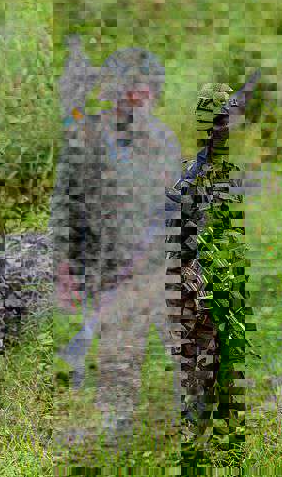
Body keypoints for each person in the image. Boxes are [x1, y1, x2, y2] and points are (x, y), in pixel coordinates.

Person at [49, 45, 184, 444]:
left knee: (190, 356)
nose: (138, 94)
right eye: (130, 86)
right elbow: (65, 205)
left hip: (164, 271)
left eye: (146, 87)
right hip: (112, 275)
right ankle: (115, 441)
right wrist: (64, 269)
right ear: (112, 90)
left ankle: (196, 434)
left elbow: (178, 205)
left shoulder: (165, 141)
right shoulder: (87, 137)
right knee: (118, 369)